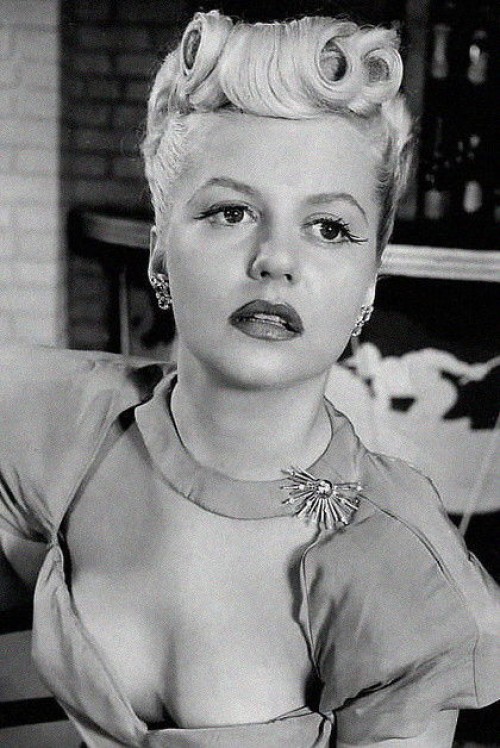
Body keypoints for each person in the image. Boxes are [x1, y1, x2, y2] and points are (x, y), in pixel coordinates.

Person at [1, 10, 499, 748]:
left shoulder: (395, 566)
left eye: (329, 228)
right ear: (159, 252)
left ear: (370, 276)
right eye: (231, 212)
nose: (276, 260)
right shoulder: (60, 424)